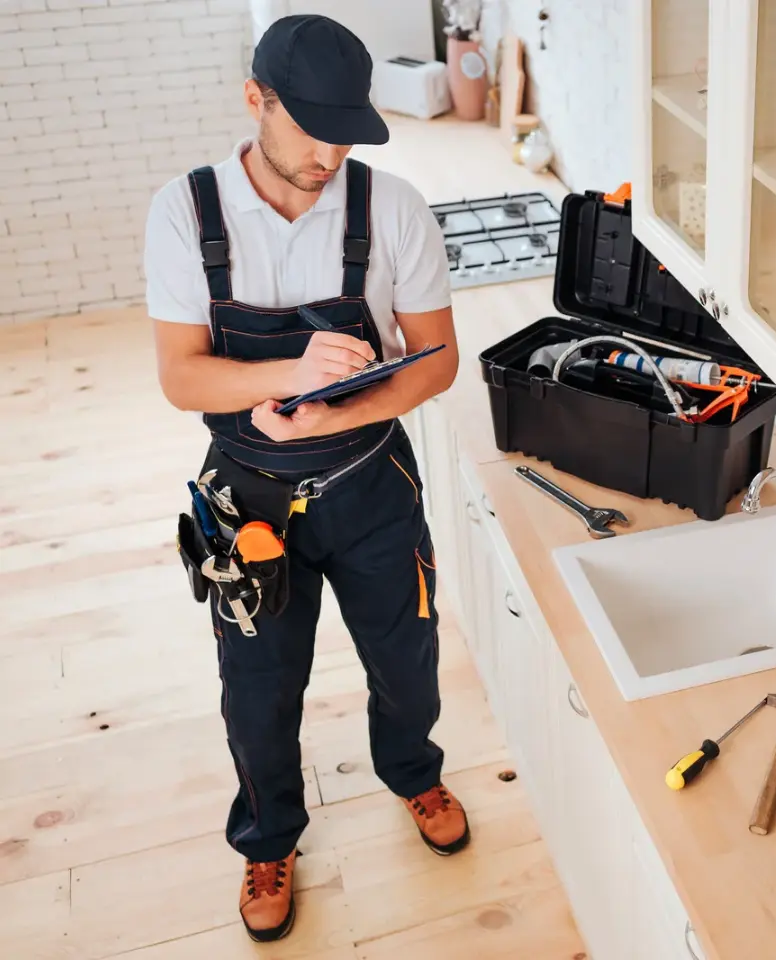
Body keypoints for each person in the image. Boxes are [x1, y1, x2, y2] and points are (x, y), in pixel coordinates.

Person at [144, 15, 466, 942]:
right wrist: (289, 376)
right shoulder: (187, 212)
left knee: (407, 661)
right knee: (257, 686)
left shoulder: (391, 207)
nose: (329, 153)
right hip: (246, 496)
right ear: (257, 101)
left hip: (369, 482)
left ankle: (413, 772)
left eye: (346, 130)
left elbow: (434, 361)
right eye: (310, 127)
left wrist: (344, 410)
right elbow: (182, 377)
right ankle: (268, 837)